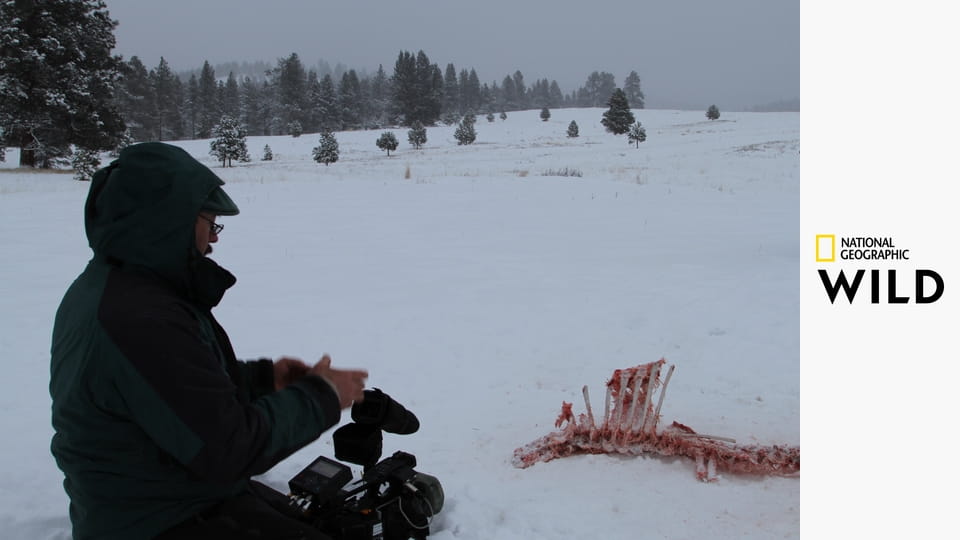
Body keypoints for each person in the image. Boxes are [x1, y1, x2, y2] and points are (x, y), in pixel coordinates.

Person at [50, 142, 368, 540]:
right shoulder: (140, 317)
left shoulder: (117, 287)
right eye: (210, 222)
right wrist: (321, 396)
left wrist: (263, 380)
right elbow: (228, 449)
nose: (214, 240)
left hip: (169, 494)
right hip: (157, 520)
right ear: (169, 222)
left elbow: (168, 388)